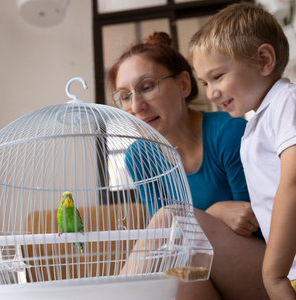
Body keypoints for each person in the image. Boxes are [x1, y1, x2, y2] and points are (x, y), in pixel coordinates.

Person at [188, 3, 296, 299]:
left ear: (264, 60)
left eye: (217, 76)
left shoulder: (289, 102)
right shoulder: (257, 125)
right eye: (204, 82)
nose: (210, 92)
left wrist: (273, 272)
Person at [106, 32, 268, 299]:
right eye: (124, 96)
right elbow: (168, 245)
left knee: (171, 218)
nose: (136, 106)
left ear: (183, 84)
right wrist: (214, 214)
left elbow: (255, 223)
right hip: (207, 273)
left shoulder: (229, 133)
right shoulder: (139, 157)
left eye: (147, 87)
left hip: (265, 269)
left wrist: (199, 217)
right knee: (174, 277)